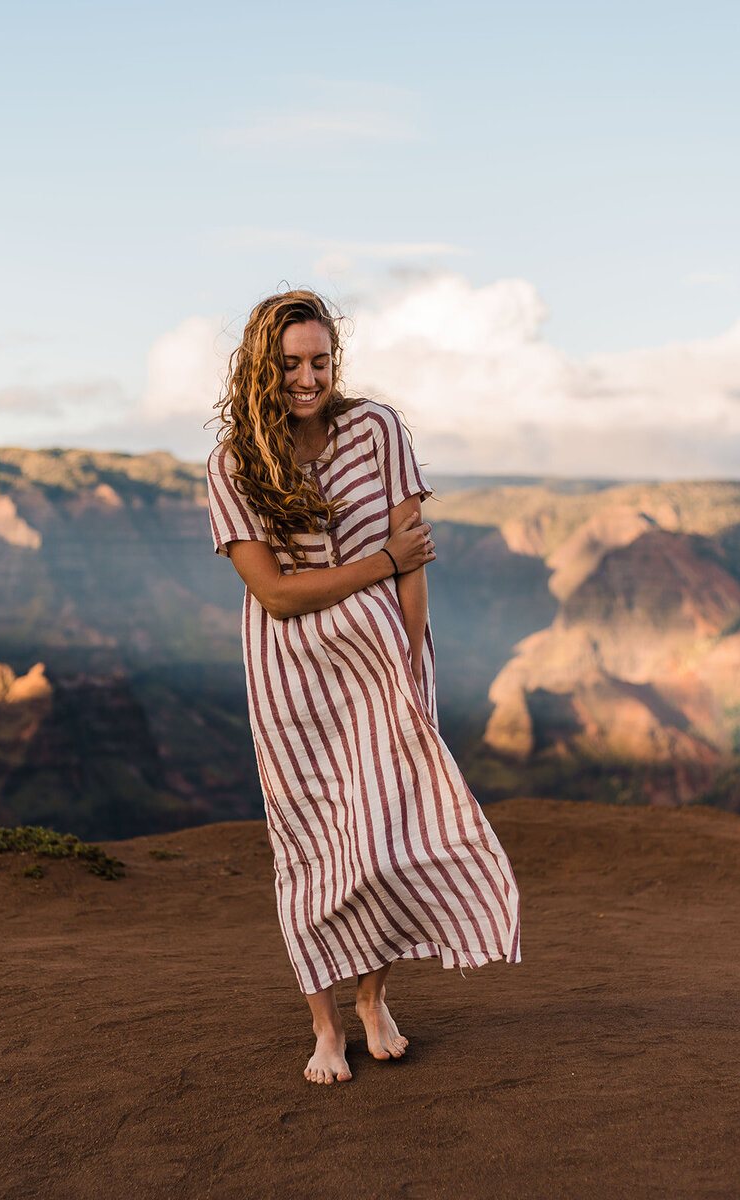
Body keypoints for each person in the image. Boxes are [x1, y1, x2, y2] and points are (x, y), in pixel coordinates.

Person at [205, 289, 520, 1085]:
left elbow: (414, 555)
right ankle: (325, 1027)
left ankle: (375, 999)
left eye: (320, 361)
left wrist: (411, 661)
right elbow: (275, 594)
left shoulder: (374, 429)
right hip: (291, 681)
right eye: (289, 365)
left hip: (386, 665)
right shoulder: (233, 465)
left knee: (383, 833)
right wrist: (378, 564)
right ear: (259, 367)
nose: (307, 378)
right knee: (311, 846)